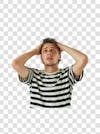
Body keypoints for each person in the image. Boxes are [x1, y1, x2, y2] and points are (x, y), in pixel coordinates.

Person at [12, 38, 88, 108]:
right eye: (45, 50)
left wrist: (60, 46)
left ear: (59, 56)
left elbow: (83, 59)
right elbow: (16, 64)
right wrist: (35, 51)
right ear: (41, 57)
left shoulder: (68, 74)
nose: (49, 53)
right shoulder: (34, 75)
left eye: (52, 50)